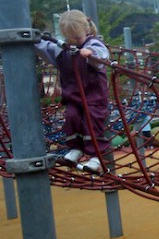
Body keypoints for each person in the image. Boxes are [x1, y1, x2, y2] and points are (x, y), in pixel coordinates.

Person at [35, 10, 110, 173]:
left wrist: (90, 54)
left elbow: (102, 56)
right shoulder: (62, 49)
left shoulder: (93, 44)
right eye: (70, 38)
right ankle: (76, 149)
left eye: (77, 38)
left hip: (94, 97)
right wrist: (32, 40)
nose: (74, 41)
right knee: (71, 118)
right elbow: (45, 48)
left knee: (91, 121)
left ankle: (96, 156)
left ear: (87, 30)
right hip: (73, 97)